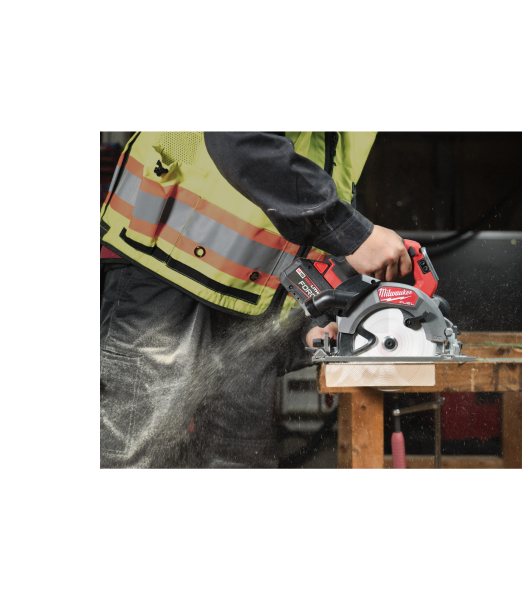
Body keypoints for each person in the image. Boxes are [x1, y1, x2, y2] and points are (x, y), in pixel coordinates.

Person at [100, 132, 412, 468]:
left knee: (239, 464)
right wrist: (350, 232)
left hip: (251, 302)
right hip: (163, 267)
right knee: (132, 458)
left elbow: (311, 191)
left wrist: (314, 314)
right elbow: (240, 139)